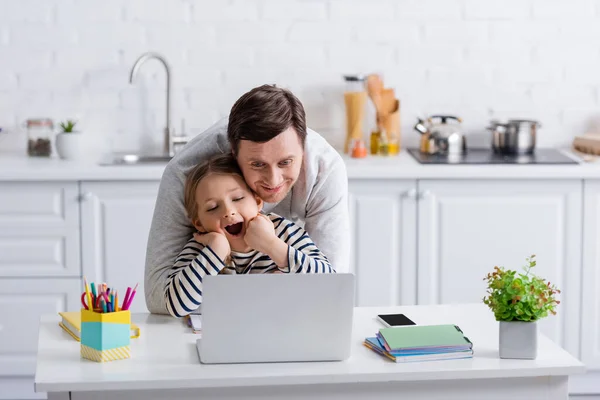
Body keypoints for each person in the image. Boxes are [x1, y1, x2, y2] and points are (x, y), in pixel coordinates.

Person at [145, 84, 350, 315]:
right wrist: (269, 292)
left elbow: (332, 290)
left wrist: (275, 252)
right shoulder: (187, 174)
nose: (273, 180)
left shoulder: (324, 170)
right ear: (233, 154)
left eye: (285, 162)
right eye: (258, 164)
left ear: (303, 149)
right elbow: (158, 298)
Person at [165, 154, 335, 317]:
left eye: (238, 198)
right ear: (199, 223)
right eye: (212, 208)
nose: (228, 212)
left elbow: (330, 284)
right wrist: (215, 252)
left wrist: (272, 245)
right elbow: (175, 306)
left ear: (258, 201)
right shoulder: (201, 249)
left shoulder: (284, 233)